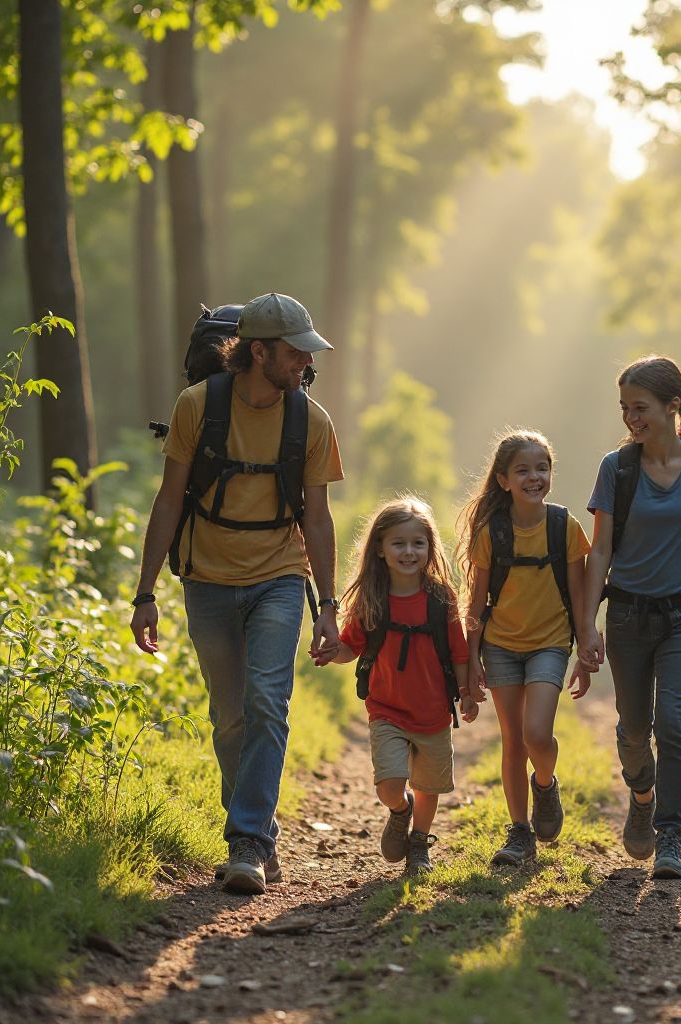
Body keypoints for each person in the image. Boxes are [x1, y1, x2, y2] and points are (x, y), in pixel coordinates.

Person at [130, 292, 343, 896]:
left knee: (266, 702)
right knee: (229, 717)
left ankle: (246, 839)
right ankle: (258, 822)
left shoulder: (312, 419)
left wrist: (328, 607)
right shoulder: (197, 406)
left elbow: (318, 520)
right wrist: (144, 593)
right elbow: (169, 499)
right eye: (295, 352)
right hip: (207, 579)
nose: (305, 363)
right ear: (259, 352)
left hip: (280, 575)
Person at [577, 356, 681, 880]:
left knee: (672, 723)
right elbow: (599, 551)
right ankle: (642, 795)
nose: (631, 418)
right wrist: (586, 624)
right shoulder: (616, 468)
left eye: (640, 408)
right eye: (625, 408)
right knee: (632, 730)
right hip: (627, 615)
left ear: (674, 407)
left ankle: (671, 836)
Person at [314, 497, 477, 875]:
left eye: (418, 543)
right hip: (386, 709)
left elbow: (460, 653)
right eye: (399, 543)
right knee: (389, 783)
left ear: (430, 547)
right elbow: (351, 647)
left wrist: (467, 692)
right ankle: (399, 810)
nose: (408, 551)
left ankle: (419, 843)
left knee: (429, 786)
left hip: (434, 712)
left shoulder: (440, 598)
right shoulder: (373, 598)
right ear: (380, 549)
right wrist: (332, 650)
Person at [459, 429, 591, 867]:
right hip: (499, 646)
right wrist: (470, 660)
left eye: (542, 468)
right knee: (513, 740)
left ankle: (546, 784)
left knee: (537, 732)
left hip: (549, 643)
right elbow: (476, 603)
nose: (534, 477)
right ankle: (519, 832)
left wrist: (587, 648)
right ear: (504, 480)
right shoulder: (491, 533)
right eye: (523, 470)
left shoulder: (565, 527)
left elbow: (579, 595)